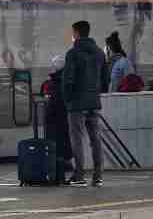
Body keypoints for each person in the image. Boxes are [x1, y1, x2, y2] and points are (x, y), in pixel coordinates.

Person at [63, 21, 108, 187]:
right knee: (96, 139)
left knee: (77, 139)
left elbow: (68, 80)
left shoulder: (73, 53)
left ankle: (79, 175)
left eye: (72, 33)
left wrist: (67, 99)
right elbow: (105, 79)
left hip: (77, 103)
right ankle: (98, 176)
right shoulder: (99, 53)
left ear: (76, 33)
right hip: (94, 102)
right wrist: (96, 93)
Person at [42, 55, 74, 184]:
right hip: (65, 119)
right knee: (63, 148)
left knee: (56, 149)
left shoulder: (55, 82)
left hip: (54, 121)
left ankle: (57, 177)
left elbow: (52, 104)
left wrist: (47, 116)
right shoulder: (67, 80)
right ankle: (61, 176)